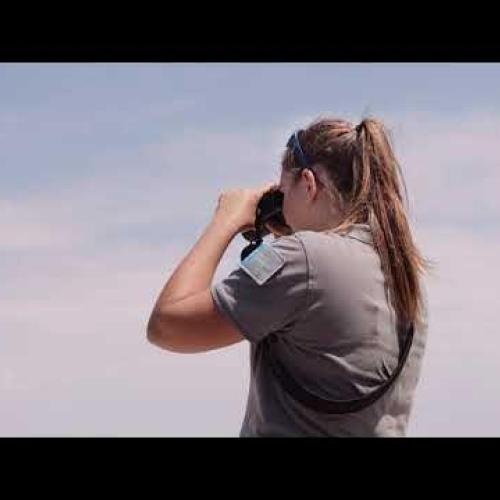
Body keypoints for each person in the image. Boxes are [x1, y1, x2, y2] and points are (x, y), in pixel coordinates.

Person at [147, 116, 434, 437]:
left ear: (309, 184)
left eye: (283, 192)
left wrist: (225, 221)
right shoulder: (404, 277)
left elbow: (167, 325)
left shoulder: (302, 257)